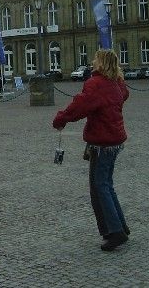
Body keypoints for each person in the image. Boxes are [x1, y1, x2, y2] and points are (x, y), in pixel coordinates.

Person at [51, 49, 130, 251]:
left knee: (100, 186)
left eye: (96, 59)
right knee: (106, 184)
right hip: (114, 140)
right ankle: (120, 226)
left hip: (103, 142)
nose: (92, 61)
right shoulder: (116, 83)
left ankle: (115, 232)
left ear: (101, 63)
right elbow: (124, 94)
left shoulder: (97, 84)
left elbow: (79, 106)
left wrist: (61, 119)